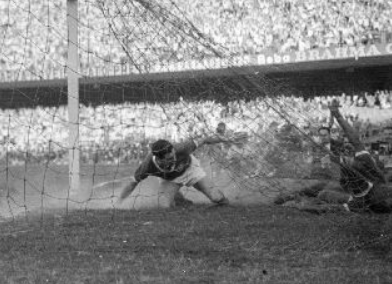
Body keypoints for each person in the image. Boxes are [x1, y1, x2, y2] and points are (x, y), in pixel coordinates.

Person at [276, 100, 392, 213]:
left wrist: (301, 207)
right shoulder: (370, 169)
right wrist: (338, 115)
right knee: (325, 188)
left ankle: (297, 196)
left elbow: (330, 208)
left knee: (324, 193)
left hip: (357, 195)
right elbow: (354, 139)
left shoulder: (359, 201)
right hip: (362, 188)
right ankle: (295, 195)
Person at [117, 131, 249, 207]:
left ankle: (220, 199)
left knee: (217, 199)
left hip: (190, 169)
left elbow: (205, 139)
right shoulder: (147, 165)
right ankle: (181, 200)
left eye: (173, 155)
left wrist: (228, 139)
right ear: (159, 159)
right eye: (169, 159)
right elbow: (132, 184)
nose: (173, 158)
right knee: (164, 206)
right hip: (171, 179)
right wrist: (119, 202)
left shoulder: (182, 147)